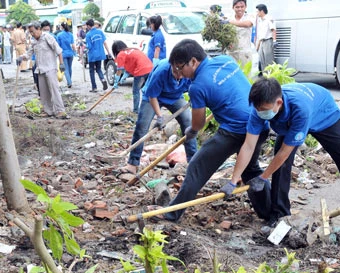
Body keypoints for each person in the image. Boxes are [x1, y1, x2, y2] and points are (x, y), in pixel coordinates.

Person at [164, 39, 270, 222]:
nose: (179, 74)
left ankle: (173, 213)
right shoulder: (225, 60)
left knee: (197, 167)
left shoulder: (197, 86)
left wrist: (192, 131)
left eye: (180, 68)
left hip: (235, 131)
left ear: (194, 62)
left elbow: (198, 123)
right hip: (260, 124)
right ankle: (272, 214)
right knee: (251, 170)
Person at [222, 78, 340, 225]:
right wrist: (233, 180)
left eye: (264, 110)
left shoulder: (300, 109)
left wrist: (263, 177)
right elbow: (248, 146)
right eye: (258, 109)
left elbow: (284, 152)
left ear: (279, 103)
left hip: (324, 115)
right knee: (281, 167)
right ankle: (280, 215)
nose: (260, 113)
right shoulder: (259, 109)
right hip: (289, 122)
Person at [118, 58, 197, 175]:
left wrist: (194, 95)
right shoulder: (162, 71)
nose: (179, 76)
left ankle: (193, 162)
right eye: (176, 73)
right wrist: (160, 117)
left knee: (188, 122)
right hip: (153, 96)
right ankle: (133, 164)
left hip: (174, 97)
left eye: (182, 74)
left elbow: (195, 86)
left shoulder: (190, 71)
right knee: (142, 126)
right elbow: (152, 96)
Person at [17, 22, 68, 119]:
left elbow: (59, 50)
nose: (32, 34)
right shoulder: (34, 41)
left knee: (54, 90)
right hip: (40, 69)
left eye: (33, 31)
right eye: (30, 32)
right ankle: (48, 111)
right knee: (44, 93)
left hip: (50, 68)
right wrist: (21, 57)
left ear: (39, 29)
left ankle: (60, 111)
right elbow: (28, 54)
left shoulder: (47, 37)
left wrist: (61, 63)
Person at [111, 40, 153, 114]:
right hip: (150, 68)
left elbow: (119, 70)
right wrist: (125, 76)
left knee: (136, 91)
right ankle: (150, 109)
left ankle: (136, 110)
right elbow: (131, 65)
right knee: (148, 90)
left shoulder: (121, 54)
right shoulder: (133, 49)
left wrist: (116, 82)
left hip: (141, 71)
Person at [85, 19, 112, 92]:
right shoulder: (100, 32)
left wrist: (84, 46)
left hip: (92, 55)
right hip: (100, 54)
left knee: (91, 71)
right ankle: (103, 80)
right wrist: (109, 52)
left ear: (88, 26)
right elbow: (105, 43)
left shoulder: (88, 35)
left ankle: (94, 87)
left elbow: (89, 46)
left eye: (86, 26)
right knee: (98, 69)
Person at [226, 0, 254, 67]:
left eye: (242, 7)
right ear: (233, 7)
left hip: (245, 52)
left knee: (245, 75)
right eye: (237, 7)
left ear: (246, 7)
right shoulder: (229, 17)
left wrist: (229, 22)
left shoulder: (250, 16)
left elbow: (247, 24)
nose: (240, 9)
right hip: (231, 52)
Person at [255, 4, 276, 72]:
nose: (256, 13)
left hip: (268, 41)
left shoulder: (269, 18)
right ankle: (265, 77)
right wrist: (257, 47)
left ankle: (271, 78)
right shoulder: (260, 20)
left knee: (269, 61)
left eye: (257, 11)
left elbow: (273, 30)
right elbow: (260, 35)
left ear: (262, 11)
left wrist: (275, 41)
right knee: (262, 61)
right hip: (261, 42)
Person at [57, 22, 76, 88]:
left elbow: (58, 46)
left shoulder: (59, 35)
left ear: (61, 27)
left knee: (65, 69)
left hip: (63, 54)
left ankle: (69, 82)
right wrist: (75, 52)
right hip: (70, 53)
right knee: (70, 68)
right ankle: (69, 81)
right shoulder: (70, 34)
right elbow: (73, 45)